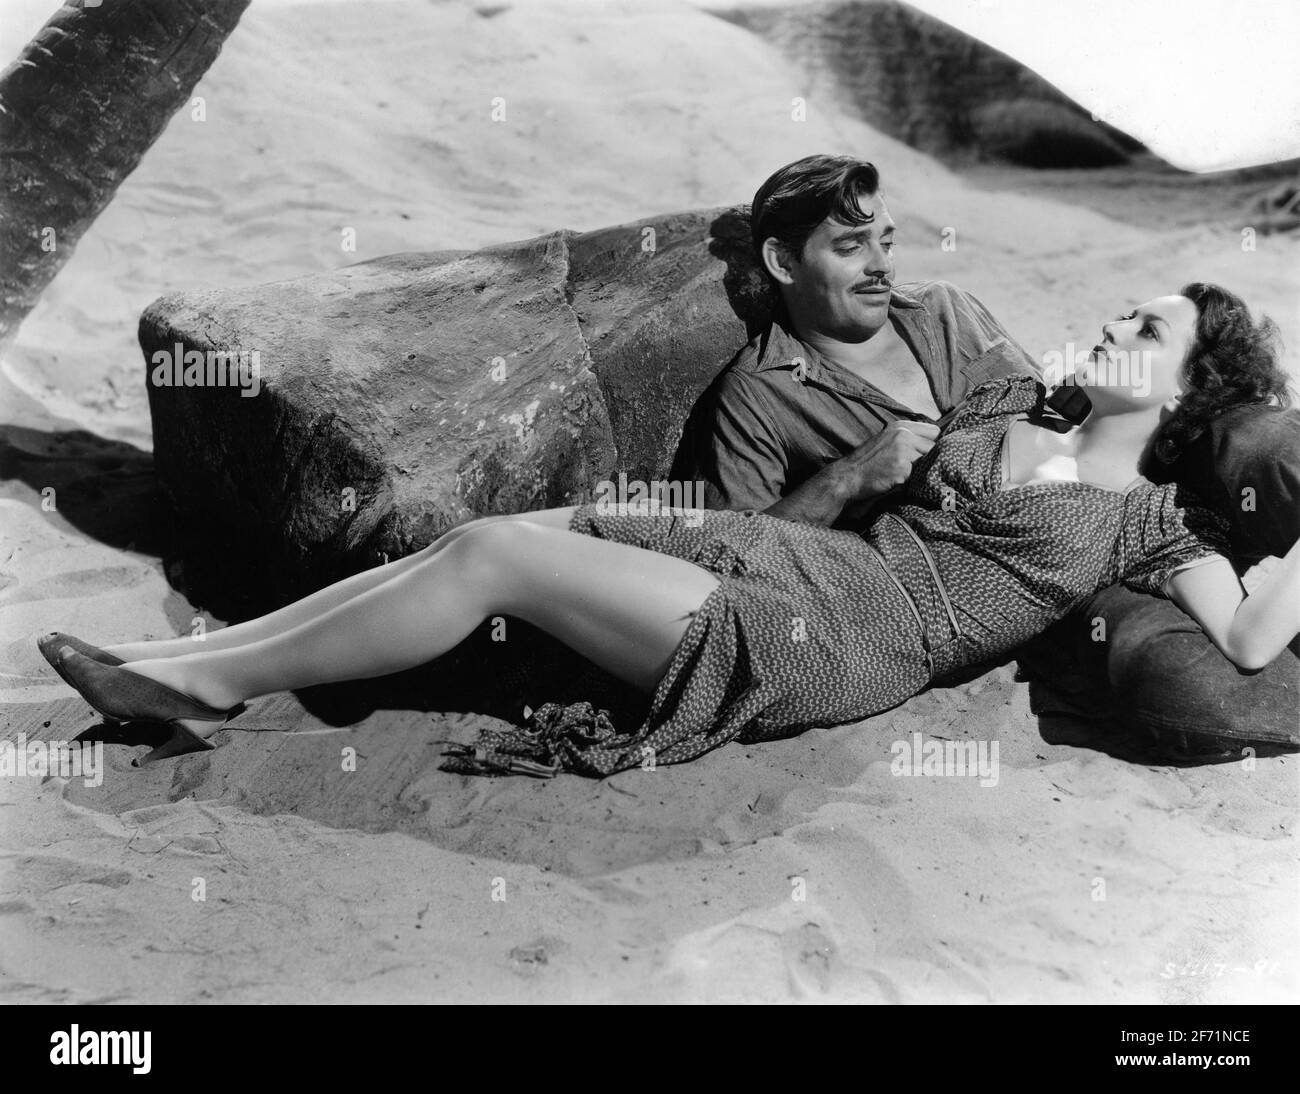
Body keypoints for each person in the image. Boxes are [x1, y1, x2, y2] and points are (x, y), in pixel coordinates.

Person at [40, 284, 1300, 776]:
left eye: (1153, 334)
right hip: (812, 559)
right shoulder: (1009, 402)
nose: (1122, 325)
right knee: (507, 527)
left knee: (497, 560)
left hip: (853, 637)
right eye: (1128, 310)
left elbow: (1246, 644)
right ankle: (202, 668)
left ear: (1187, 397)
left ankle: (197, 679)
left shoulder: (1146, 527)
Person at [674, 154, 1299, 754]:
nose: (881, 266)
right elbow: (742, 550)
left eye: (886, 243)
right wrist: (843, 480)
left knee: (1269, 450)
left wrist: (1163, 421)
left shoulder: (946, 311)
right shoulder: (756, 394)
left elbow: (1058, 405)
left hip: (1102, 506)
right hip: (949, 589)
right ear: (783, 262)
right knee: (1164, 671)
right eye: (850, 247)